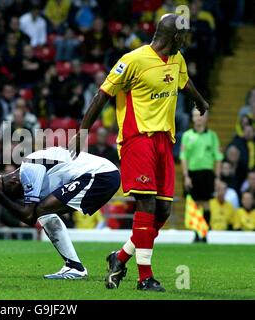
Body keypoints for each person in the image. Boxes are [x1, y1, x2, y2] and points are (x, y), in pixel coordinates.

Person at [70, 14, 209, 292]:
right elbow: (102, 95)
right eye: (184, 36)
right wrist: (83, 130)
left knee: (163, 210)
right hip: (138, 139)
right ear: (174, 37)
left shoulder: (177, 60)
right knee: (146, 205)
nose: (186, 40)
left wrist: (199, 100)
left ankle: (119, 257)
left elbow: (184, 83)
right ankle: (144, 277)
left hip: (164, 141)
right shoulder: (132, 60)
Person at [0, 146, 120, 279]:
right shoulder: (34, 174)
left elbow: (28, 216)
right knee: (43, 211)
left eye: (19, 192)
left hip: (100, 174)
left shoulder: (28, 168)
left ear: (14, 181)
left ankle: (75, 267)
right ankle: (115, 258)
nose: (23, 194)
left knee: (42, 210)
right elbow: (31, 216)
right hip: (106, 175)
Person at [180, 109, 223, 237]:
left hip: (207, 173)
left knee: (206, 203)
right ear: (192, 118)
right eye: (195, 115)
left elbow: (218, 157)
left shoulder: (212, 136)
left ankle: (205, 233)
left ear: (206, 118)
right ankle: (196, 233)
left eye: (201, 115)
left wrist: (217, 177)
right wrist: (186, 176)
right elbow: (183, 157)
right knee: (194, 204)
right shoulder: (187, 136)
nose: (198, 118)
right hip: (192, 173)